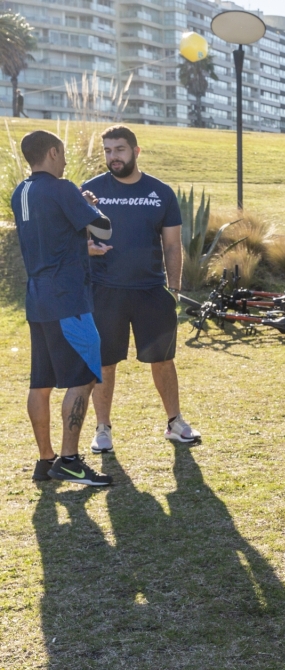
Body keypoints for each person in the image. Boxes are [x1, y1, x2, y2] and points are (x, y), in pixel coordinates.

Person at [80, 126, 200, 453]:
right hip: (104, 291)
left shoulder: (159, 192)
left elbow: (172, 245)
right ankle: (102, 429)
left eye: (119, 149)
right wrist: (86, 247)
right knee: (105, 363)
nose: (113, 156)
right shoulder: (89, 191)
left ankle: (174, 422)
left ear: (136, 151)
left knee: (162, 360)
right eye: (107, 150)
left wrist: (173, 289)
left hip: (151, 290)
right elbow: (70, 238)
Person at [13, 130, 113, 486]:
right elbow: (103, 230)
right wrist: (89, 204)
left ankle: (45, 461)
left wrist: (79, 248)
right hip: (67, 300)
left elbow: (50, 239)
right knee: (84, 376)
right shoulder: (62, 188)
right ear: (53, 152)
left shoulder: (20, 192)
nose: (67, 160)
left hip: (37, 298)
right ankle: (70, 460)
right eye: (64, 153)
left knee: (40, 383)